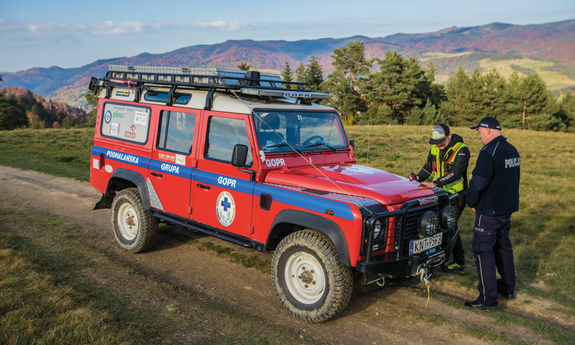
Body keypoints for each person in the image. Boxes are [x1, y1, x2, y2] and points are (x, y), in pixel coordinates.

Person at [465, 117, 520, 311]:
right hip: (506, 209)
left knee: (482, 251)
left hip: (489, 211)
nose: (478, 135)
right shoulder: (511, 149)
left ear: (487, 130)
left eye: (479, 131)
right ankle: (507, 287)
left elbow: (478, 182)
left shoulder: (489, 152)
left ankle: (488, 298)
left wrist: (471, 202)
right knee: (503, 247)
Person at [410, 124, 470, 273]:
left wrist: (436, 183)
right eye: (436, 142)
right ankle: (436, 255)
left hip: (457, 194)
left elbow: (455, 173)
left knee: (450, 226)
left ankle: (458, 261)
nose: (439, 144)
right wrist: (417, 177)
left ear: (450, 136)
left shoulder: (462, 150)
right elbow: (427, 168)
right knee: (436, 225)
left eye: (442, 141)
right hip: (440, 194)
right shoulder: (435, 149)